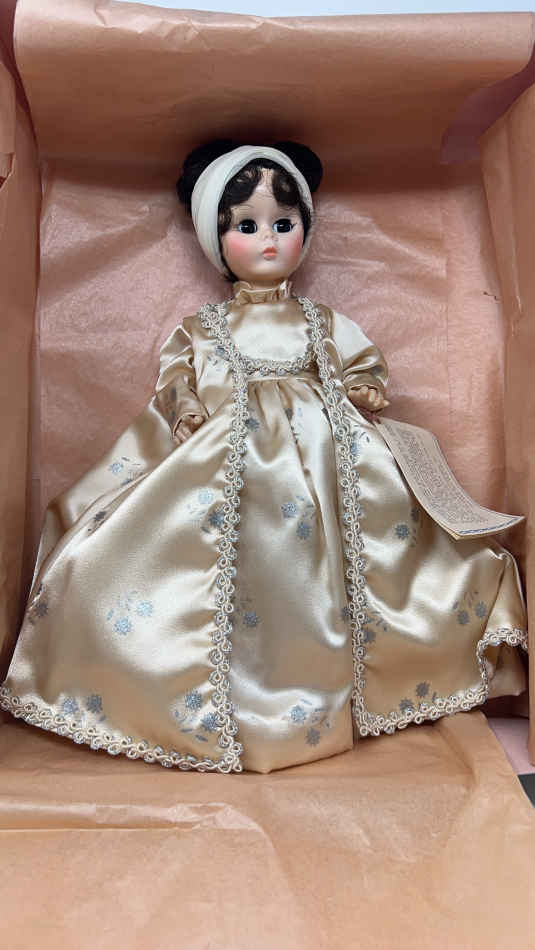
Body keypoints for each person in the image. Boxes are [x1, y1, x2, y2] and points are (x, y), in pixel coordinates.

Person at [0, 141, 528, 774]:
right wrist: (185, 408)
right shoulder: (204, 327)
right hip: (227, 462)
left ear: (305, 227)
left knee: (372, 558)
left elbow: (362, 361)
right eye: (247, 226)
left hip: (328, 461)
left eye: (283, 222)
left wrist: (363, 385)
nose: (269, 239)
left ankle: (343, 682)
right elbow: (176, 378)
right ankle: (220, 696)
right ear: (216, 241)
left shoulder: (319, 321)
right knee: (167, 556)